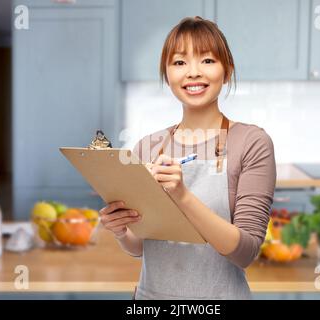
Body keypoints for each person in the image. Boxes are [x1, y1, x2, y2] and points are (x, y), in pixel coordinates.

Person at [99, 16, 276, 300]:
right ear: (167, 74)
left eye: (207, 60)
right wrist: (121, 230)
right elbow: (142, 247)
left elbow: (245, 252)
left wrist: (182, 196)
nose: (193, 73)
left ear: (227, 71)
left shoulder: (251, 143)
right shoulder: (148, 147)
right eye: (179, 63)